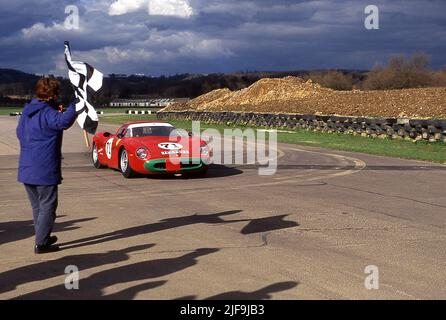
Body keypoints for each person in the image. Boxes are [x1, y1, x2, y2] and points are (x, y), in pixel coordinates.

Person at [16, 77, 77, 254]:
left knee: (38, 207)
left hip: (27, 167)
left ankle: (42, 236)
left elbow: (20, 134)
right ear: (53, 94)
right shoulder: (47, 113)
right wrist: (76, 103)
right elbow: (64, 121)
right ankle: (41, 243)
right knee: (48, 208)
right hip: (44, 168)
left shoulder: (28, 111)